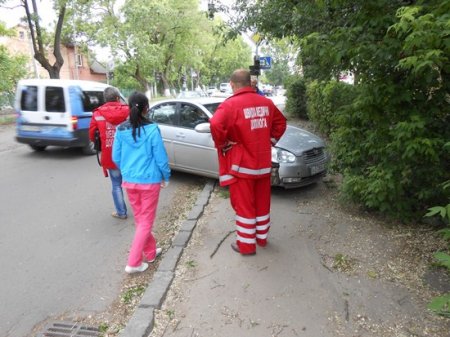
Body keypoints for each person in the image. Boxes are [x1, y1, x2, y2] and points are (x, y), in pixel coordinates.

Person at [209, 69, 287, 255]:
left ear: (232, 84)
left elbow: (214, 125)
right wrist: (271, 140)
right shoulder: (266, 102)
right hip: (263, 164)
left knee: (244, 206)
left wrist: (223, 144)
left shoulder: (229, 105)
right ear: (250, 83)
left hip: (242, 167)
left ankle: (246, 246)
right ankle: (261, 239)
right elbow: (281, 123)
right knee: (262, 204)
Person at [112, 92, 171, 274]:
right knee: (145, 222)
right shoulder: (152, 129)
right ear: (147, 108)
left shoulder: (120, 130)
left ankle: (150, 252)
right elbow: (160, 157)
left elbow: (116, 157)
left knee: (141, 220)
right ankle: (134, 262)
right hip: (149, 181)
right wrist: (166, 176)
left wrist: (128, 171)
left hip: (130, 182)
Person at [89, 86, 129, 219]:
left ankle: (121, 212)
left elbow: (91, 135)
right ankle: (141, 212)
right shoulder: (128, 111)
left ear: (105, 99)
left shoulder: (97, 114)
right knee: (134, 182)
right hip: (129, 154)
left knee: (116, 184)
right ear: (118, 98)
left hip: (110, 155)